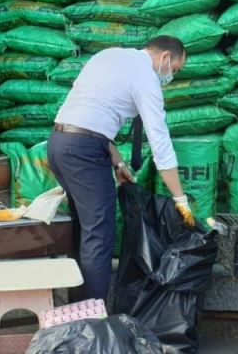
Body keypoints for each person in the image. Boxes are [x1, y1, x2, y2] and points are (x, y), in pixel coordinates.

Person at [47, 36, 193, 303]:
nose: (171, 75)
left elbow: (92, 115)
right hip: (84, 153)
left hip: (59, 144)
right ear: (164, 58)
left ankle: (77, 313)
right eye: (175, 69)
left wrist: (118, 163)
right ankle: (93, 324)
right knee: (99, 238)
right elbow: (160, 144)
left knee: (83, 230)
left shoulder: (109, 55)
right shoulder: (146, 78)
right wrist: (180, 200)